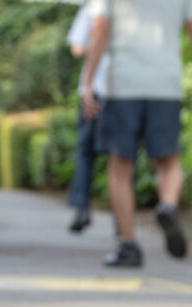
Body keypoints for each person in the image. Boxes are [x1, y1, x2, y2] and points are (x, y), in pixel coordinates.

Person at [82, 0, 192, 267]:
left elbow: (100, 29)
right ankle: (168, 204)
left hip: (123, 83)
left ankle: (129, 245)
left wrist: (88, 82)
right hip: (166, 84)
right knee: (169, 161)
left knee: (120, 167)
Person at [66, 3, 110, 233]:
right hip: (107, 90)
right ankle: (84, 208)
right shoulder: (91, 9)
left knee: (88, 153)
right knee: (114, 154)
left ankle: (84, 208)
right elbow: (77, 47)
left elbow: (77, 47)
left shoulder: (94, 10)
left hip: (109, 90)